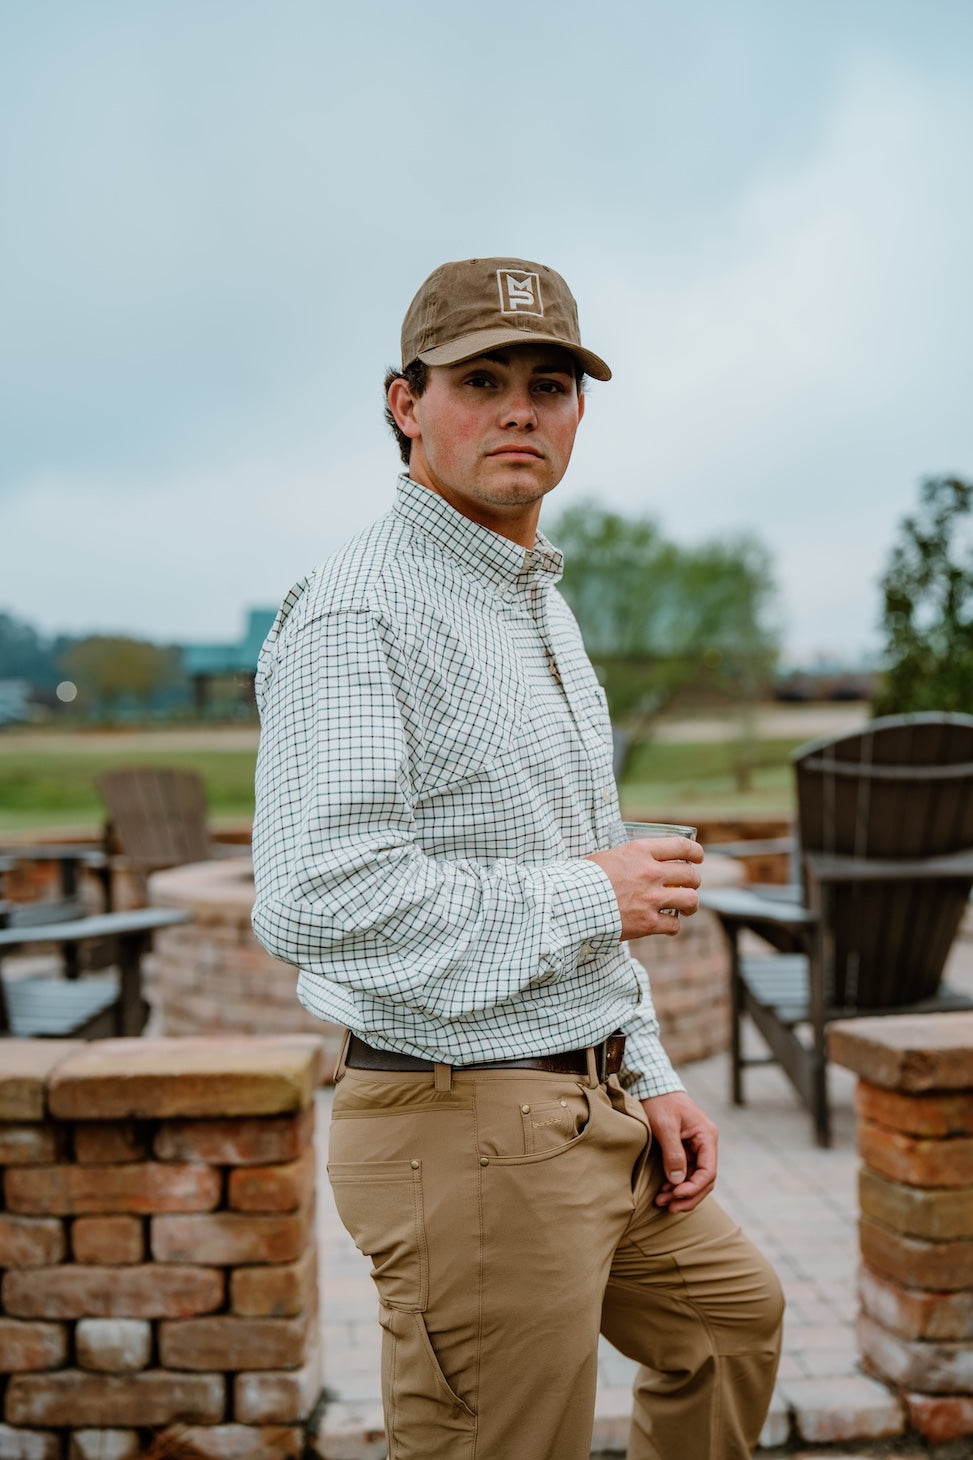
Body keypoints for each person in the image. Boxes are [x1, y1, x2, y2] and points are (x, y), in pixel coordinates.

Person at [251, 256, 784, 1460]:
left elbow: (569, 851)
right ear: (405, 402)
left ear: (578, 411)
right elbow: (312, 894)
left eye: (549, 385)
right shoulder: (358, 610)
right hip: (463, 1123)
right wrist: (591, 887)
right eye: (480, 380)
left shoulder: (533, 597)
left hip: (594, 1097)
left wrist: (649, 1069)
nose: (519, 411)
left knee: (728, 1326)